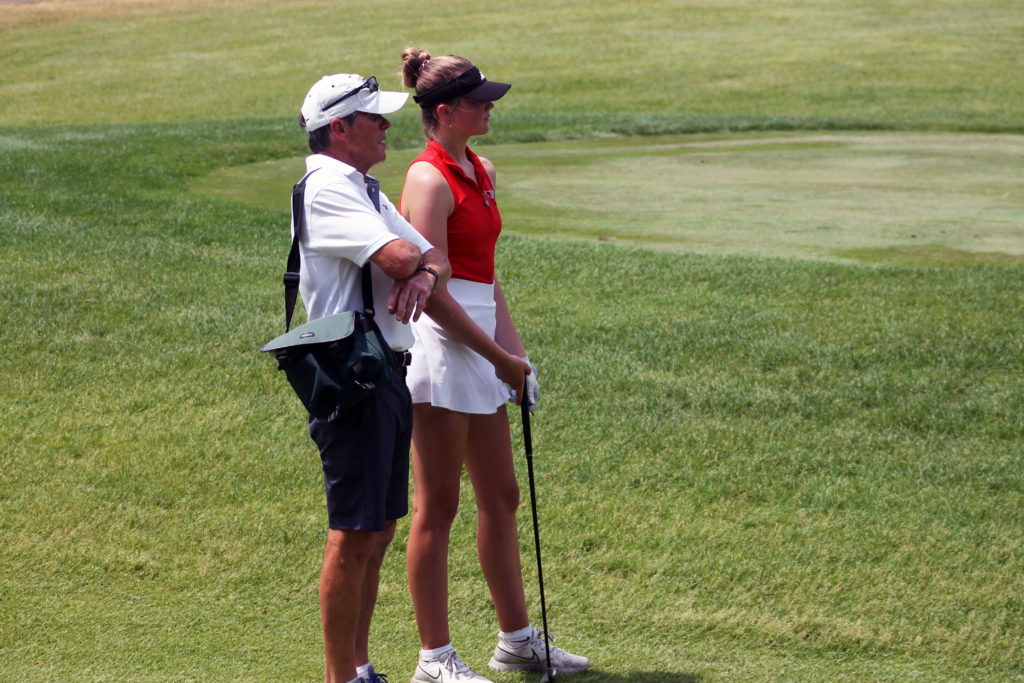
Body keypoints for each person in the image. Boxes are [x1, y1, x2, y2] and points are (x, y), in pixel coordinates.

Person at [397, 48, 590, 683]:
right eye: (479, 102)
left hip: (482, 342)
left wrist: (519, 355)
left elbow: (486, 278)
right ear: (445, 112)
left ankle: (516, 641)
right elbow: (435, 293)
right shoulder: (428, 180)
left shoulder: (481, 168)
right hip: (442, 345)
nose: (490, 109)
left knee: (502, 495)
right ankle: (434, 658)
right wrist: (499, 356)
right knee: (439, 504)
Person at [294, 72, 451, 683]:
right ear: (339, 128)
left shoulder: (361, 185)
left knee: (379, 529)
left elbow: (432, 256)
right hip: (351, 381)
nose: (388, 126)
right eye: (374, 118)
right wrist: (419, 267)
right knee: (353, 532)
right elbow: (401, 255)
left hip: (383, 372)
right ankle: (342, 677)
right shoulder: (328, 188)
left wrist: (425, 274)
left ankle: (359, 668)